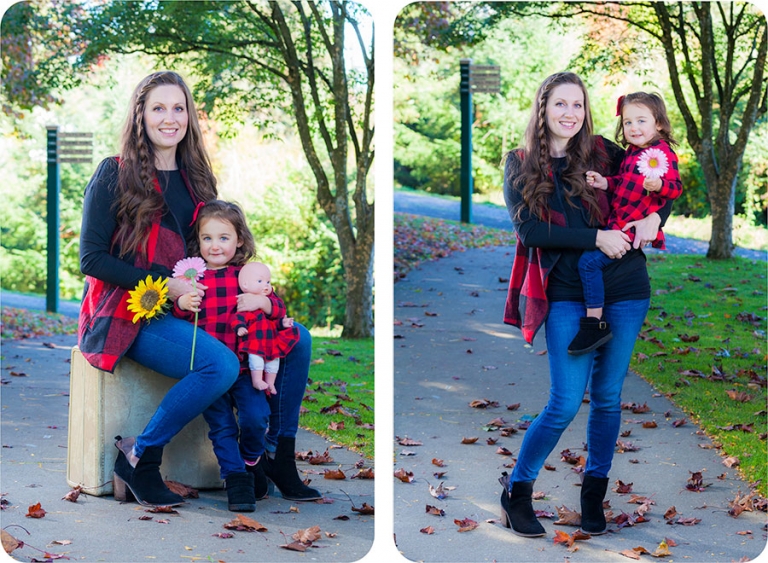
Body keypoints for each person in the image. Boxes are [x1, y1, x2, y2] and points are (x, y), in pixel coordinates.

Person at [78, 71, 317, 511]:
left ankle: (277, 458)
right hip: (133, 313)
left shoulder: (197, 180)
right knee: (219, 365)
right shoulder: (115, 174)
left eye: (179, 108)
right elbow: (90, 260)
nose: (170, 118)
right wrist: (165, 286)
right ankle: (140, 459)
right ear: (140, 116)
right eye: (158, 108)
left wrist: (257, 294)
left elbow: (217, 249)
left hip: (200, 308)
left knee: (298, 338)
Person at [500, 72, 673, 538]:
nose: (570, 113)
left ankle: (593, 491)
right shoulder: (520, 164)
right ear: (543, 109)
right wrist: (597, 236)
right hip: (566, 294)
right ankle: (518, 490)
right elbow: (531, 232)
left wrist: (656, 217)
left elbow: (659, 179)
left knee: (610, 398)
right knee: (563, 402)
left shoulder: (603, 151)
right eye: (561, 104)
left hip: (627, 287)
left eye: (578, 104)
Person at [174, 201, 312, 509]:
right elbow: (178, 318)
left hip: (247, 367)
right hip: (210, 371)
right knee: (222, 426)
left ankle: (252, 461)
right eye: (207, 238)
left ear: (239, 240)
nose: (215, 245)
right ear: (198, 240)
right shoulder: (192, 279)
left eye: (224, 238)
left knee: (254, 418)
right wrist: (183, 302)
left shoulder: (245, 276)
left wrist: (262, 305)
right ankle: (237, 482)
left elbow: (276, 306)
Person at [569, 92, 682, 355]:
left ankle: (594, 324)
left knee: (588, 263)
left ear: (660, 124)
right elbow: (622, 183)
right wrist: (604, 182)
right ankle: (598, 319)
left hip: (630, 229)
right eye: (628, 123)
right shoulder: (632, 153)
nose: (633, 128)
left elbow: (676, 189)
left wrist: (660, 186)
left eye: (641, 121)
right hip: (617, 223)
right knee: (592, 263)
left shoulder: (662, 154)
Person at [232, 261, 299, 395]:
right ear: (245, 285)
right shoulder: (246, 304)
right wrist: (240, 327)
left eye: (268, 282)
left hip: (270, 341)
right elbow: (237, 318)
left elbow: (273, 322)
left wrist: (282, 323)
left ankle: (271, 383)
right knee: (256, 361)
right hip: (255, 342)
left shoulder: (265, 304)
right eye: (260, 281)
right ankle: (257, 380)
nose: (266, 286)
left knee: (273, 362)